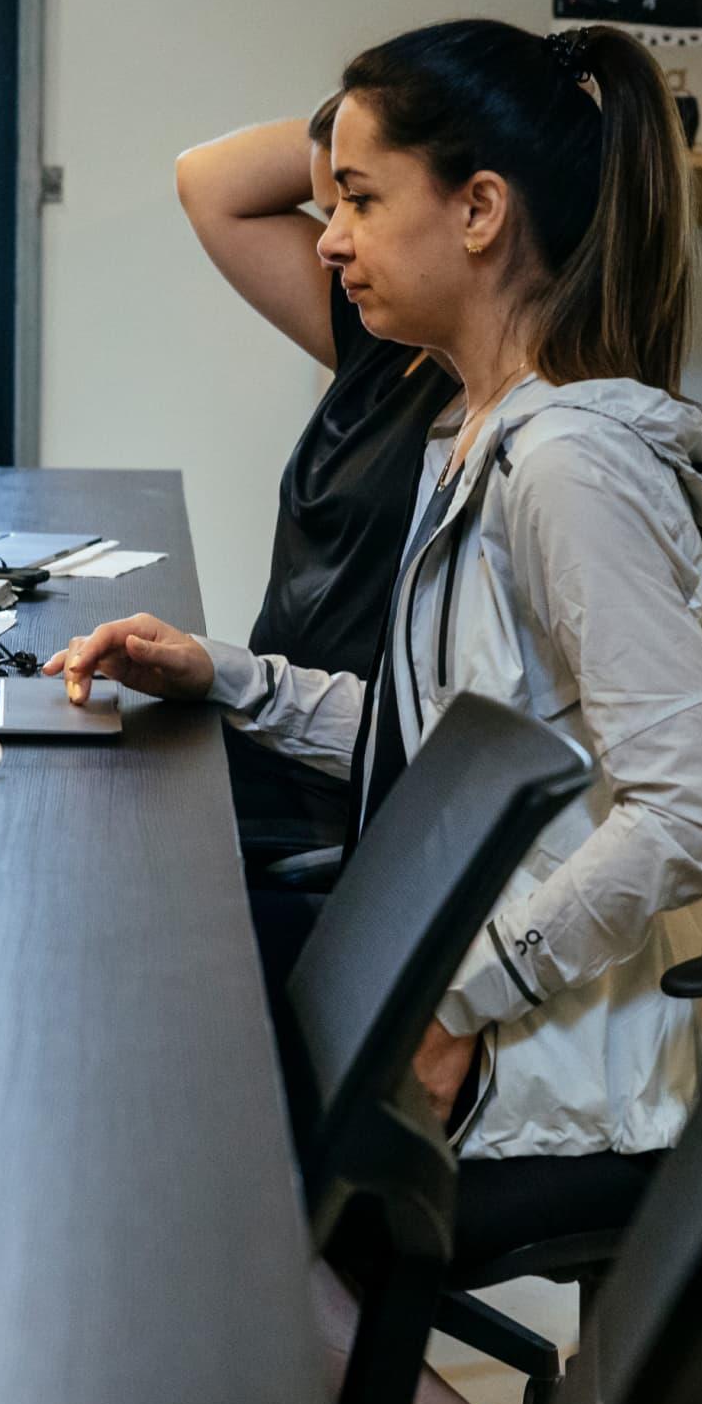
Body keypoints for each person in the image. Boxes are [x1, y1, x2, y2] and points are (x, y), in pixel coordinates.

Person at [49, 19, 702, 1404]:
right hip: (493, 1005)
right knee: (124, 1030)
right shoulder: (481, 435)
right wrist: (233, 679)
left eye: (363, 200)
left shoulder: (567, 467)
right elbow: (455, 744)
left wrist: (461, 1004)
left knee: (135, 1110)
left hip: (553, 1065)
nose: (329, 238)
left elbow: (698, 811)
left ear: (481, 212)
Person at [177, 94, 460, 857]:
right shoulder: (380, 338)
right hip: (271, 733)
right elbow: (206, 178)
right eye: (330, 202)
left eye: (359, 203)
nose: (328, 242)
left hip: (330, 794)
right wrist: (364, 110)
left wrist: (403, 113)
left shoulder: (510, 420)